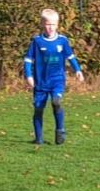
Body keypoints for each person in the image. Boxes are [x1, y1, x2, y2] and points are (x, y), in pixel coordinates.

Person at [23, 8, 84, 145]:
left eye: (53, 24)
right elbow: (28, 60)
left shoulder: (62, 41)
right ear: (42, 24)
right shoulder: (37, 41)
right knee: (38, 109)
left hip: (57, 80)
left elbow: (70, 56)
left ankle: (60, 130)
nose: (50, 27)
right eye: (47, 24)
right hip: (40, 82)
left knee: (56, 102)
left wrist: (78, 70)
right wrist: (29, 75)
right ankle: (39, 139)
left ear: (57, 25)